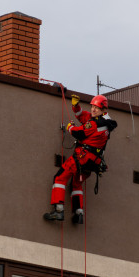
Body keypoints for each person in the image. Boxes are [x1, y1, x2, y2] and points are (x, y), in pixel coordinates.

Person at [43, 94, 117, 224]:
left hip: (82, 157)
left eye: (96, 108)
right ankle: (79, 213)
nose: (93, 109)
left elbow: (79, 132)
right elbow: (84, 116)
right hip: (92, 163)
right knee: (77, 184)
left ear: (103, 110)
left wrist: (70, 127)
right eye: (92, 106)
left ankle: (58, 210)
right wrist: (75, 106)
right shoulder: (104, 122)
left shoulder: (95, 124)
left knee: (60, 177)